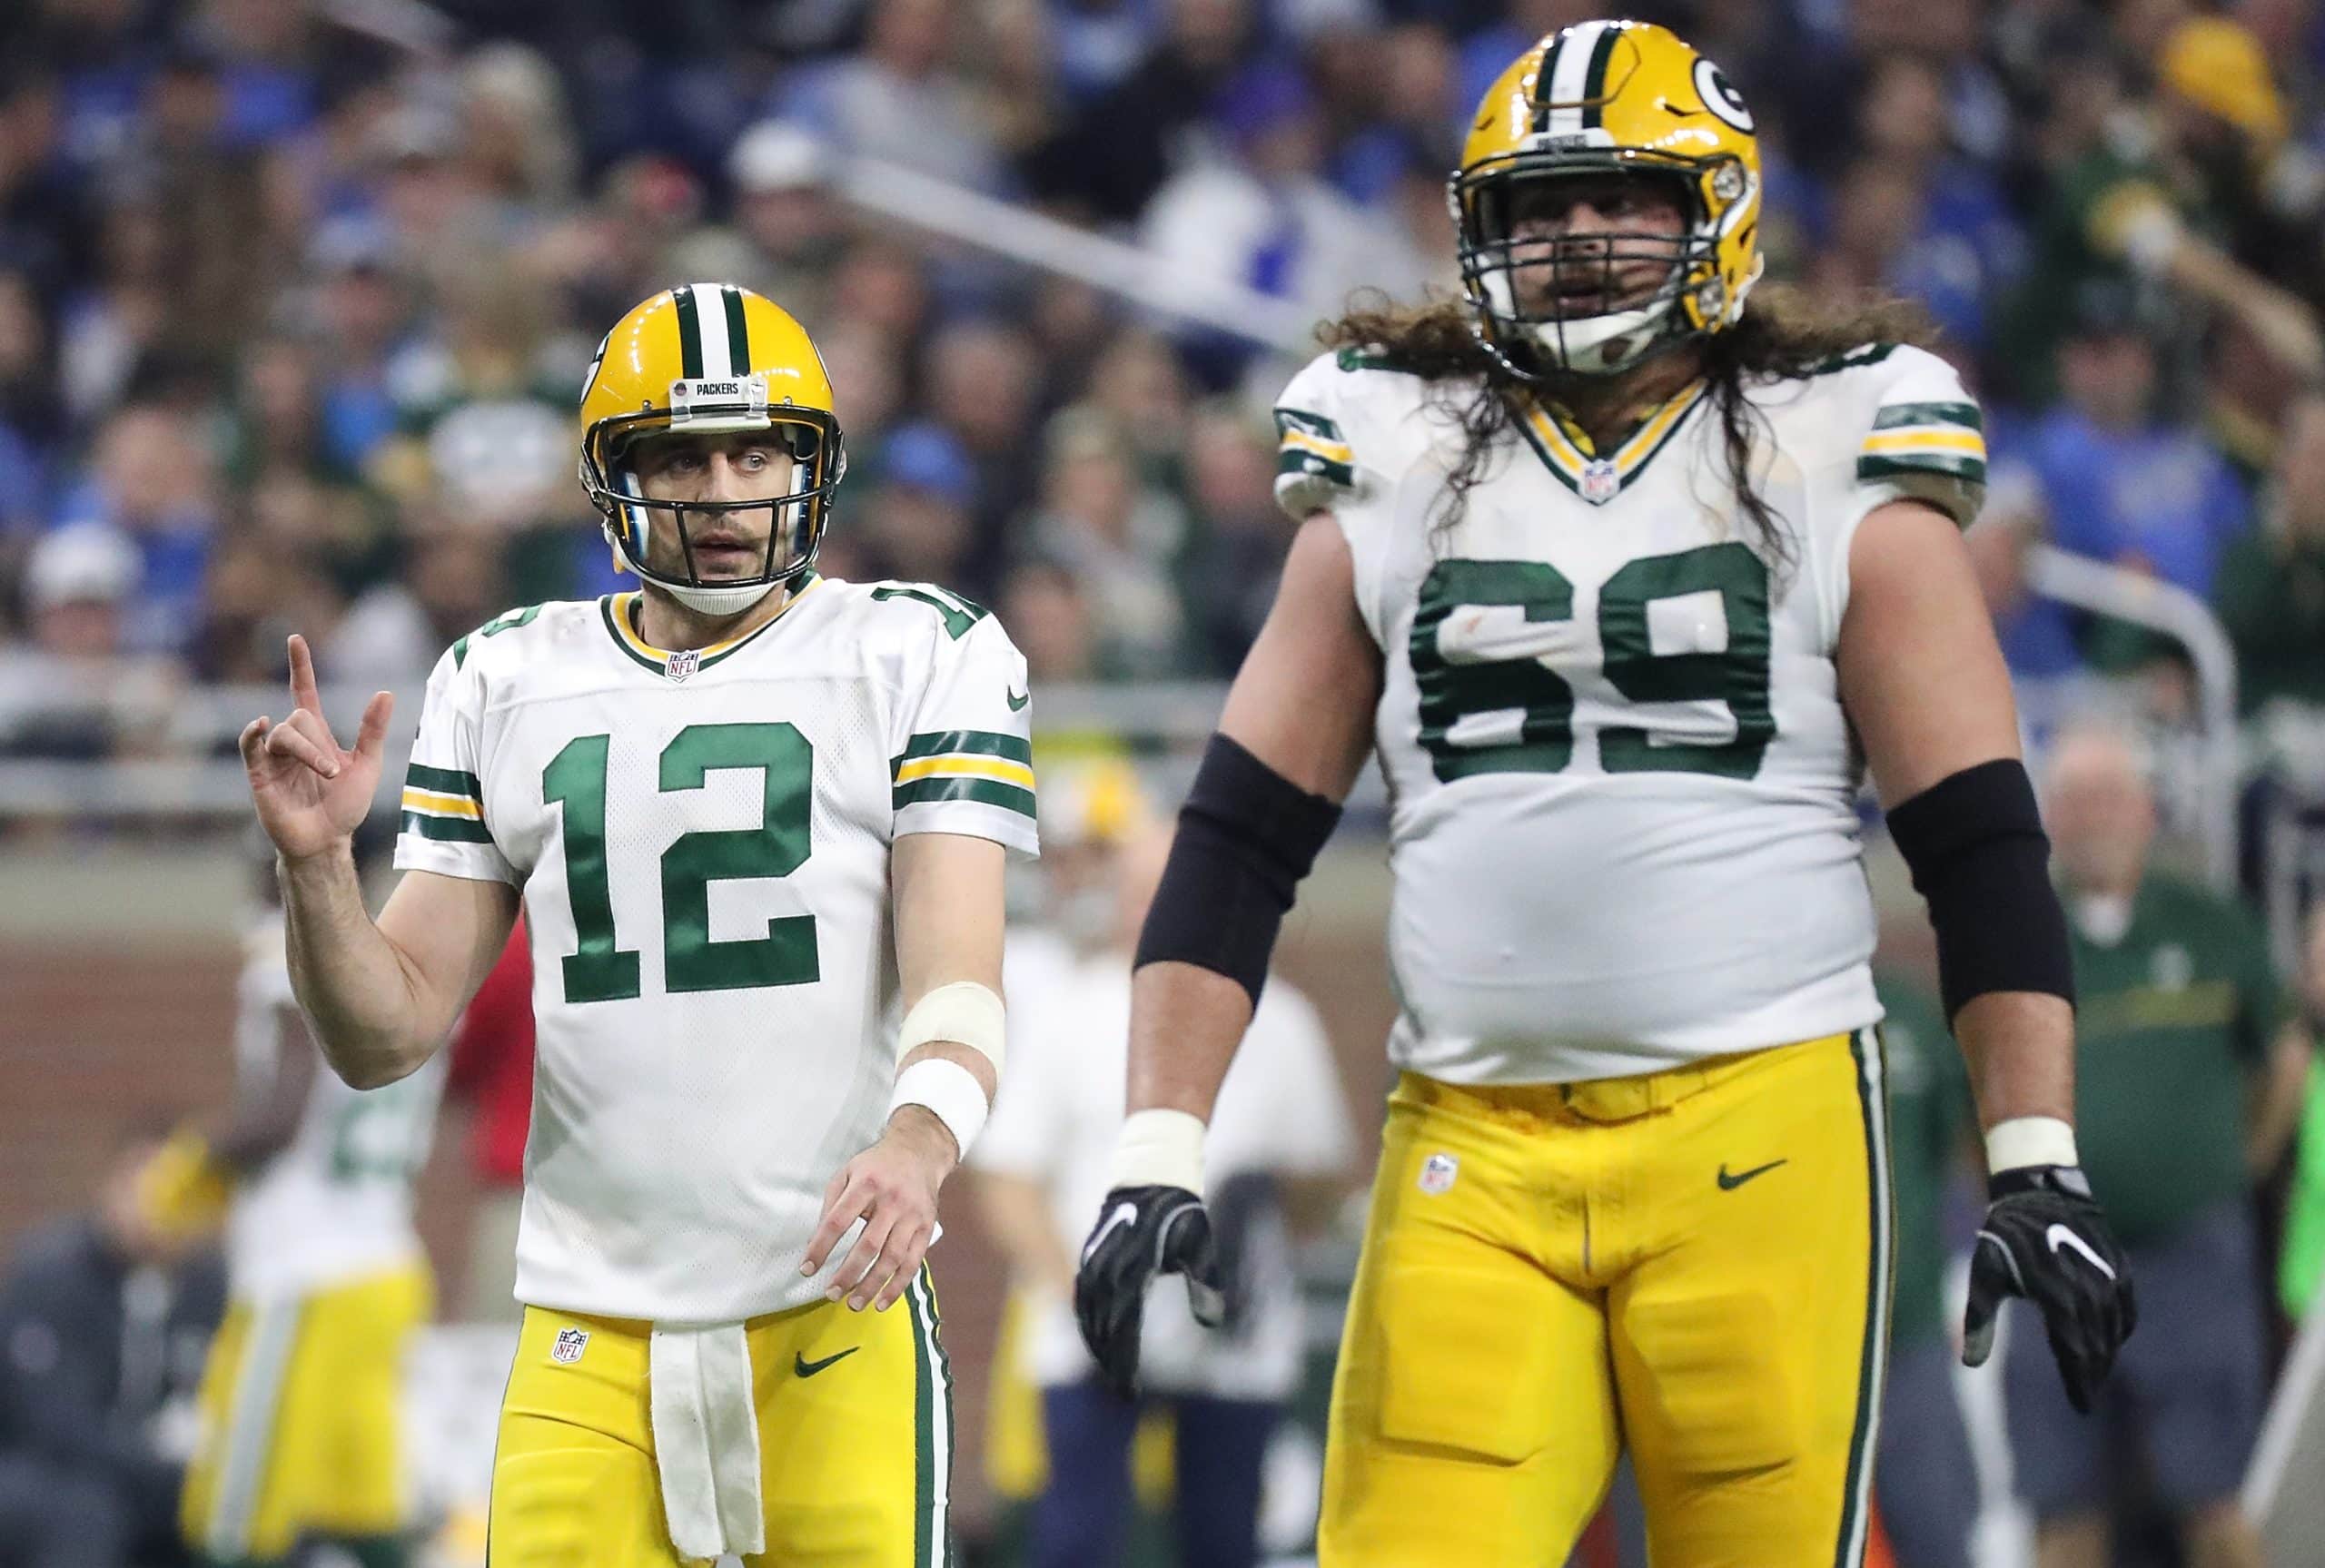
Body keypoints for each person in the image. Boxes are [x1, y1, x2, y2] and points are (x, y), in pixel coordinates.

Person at [1070, 21, 2137, 1565]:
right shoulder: (1395, 442)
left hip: (1760, 1127)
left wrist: (2035, 1150)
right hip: (1471, 1139)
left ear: (1716, 211)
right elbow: (1240, 832)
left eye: (1622, 199)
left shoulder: (1837, 437)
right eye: (1538, 208)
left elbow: (1977, 840)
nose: (1575, 239)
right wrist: (1156, 1144)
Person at [234, 282, 1037, 1566]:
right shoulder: (504, 674)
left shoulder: (914, 649)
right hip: (588, 1325)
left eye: (753, 450)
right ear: (616, 477)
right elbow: (383, 1033)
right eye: (680, 455)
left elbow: (960, 969)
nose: (721, 489)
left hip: (829, 1309)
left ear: (807, 463)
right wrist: (322, 867)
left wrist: (920, 1141)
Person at [972, 764, 1350, 1568]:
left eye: (1171, 886)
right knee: (1076, 1537)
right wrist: (1074, 1288)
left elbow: (1321, 1176)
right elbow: (1007, 1178)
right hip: (1093, 1331)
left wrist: (1258, 1211)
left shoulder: (1275, 1015)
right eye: (1142, 885)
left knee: (1221, 1539)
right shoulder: (1072, 1010)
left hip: (1233, 1329)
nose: (1153, 904)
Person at [2009, 724, 2310, 1568]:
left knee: (2218, 1503)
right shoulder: (2018, 936)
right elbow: (1975, 1108)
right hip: (2055, 1263)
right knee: (2059, 1509)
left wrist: (2240, 1158)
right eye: (2074, 799)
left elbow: (2285, 1057)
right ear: (2050, 818)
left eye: (2110, 796)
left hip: (2192, 1253)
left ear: (2147, 809)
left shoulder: (2212, 925)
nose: (2095, 817)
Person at [142, 862, 446, 1568]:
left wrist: (191, 1164)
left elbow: (281, 1113)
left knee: (235, 1513)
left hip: (305, 1275)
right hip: (386, 1268)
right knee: (370, 1510)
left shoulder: (291, 955)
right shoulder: (400, 963)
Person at [0, 1129, 223, 1568]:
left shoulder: (211, 1288)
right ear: (110, 1188)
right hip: (45, 1474)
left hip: (159, 1480)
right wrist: (158, 1468)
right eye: (141, 1189)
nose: (156, 1209)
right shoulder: (50, 1279)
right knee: (84, 1515)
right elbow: (54, 1426)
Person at [1870, 971, 1979, 1568]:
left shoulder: (1910, 1018)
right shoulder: (1755, 1018)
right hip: (1793, 1343)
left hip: (1907, 1332)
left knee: (1937, 1530)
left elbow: (1957, 1153)